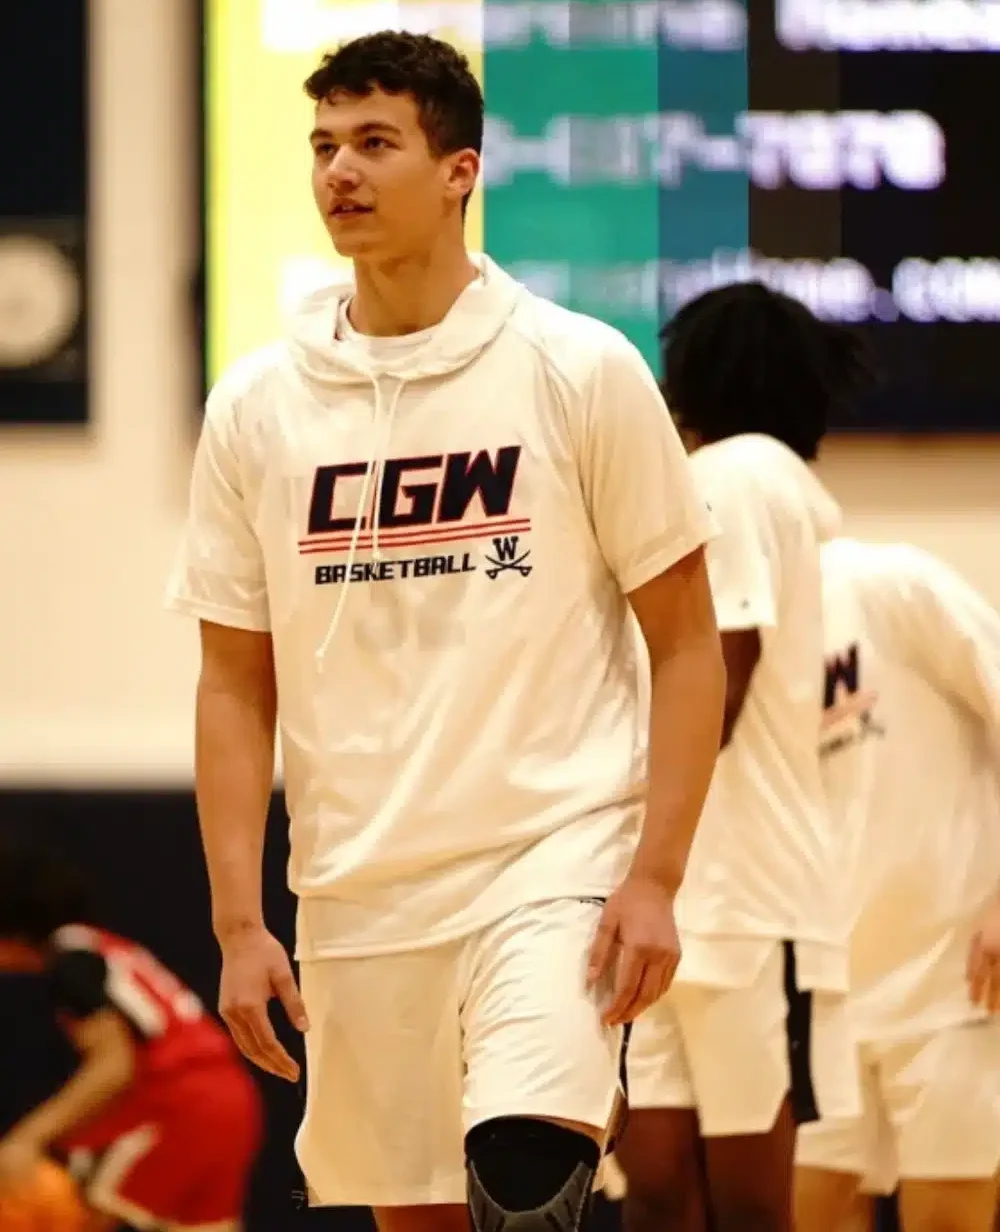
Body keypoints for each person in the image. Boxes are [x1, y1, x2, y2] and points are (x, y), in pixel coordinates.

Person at [165, 29, 726, 1232]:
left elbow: (687, 641)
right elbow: (232, 682)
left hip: (549, 867)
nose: (339, 171)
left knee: (524, 1190)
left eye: (375, 143)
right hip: (356, 891)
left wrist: (656, 875)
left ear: (460, 169)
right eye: (324, 145)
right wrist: (238, 922)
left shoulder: (577, 368)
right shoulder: (257, 404)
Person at [618, 281, 877, 1232]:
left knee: (748, 1208)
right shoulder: (746, 481)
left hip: (750, 898)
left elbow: (718, 681)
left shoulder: (741, 475)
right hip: (673, 892)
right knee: (655, 1191)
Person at [795, 538, 1000, 1232]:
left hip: (954, 982)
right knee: (806, 1213)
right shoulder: (725, 639)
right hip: (823, 987)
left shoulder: (890, 584)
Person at [0, 838, 262, 1232]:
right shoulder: (107, 948)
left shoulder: (72, 960)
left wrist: (27, 1138)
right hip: (233, 1098)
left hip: (179, 1105)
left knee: (70, 1213)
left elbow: (113, 1066)